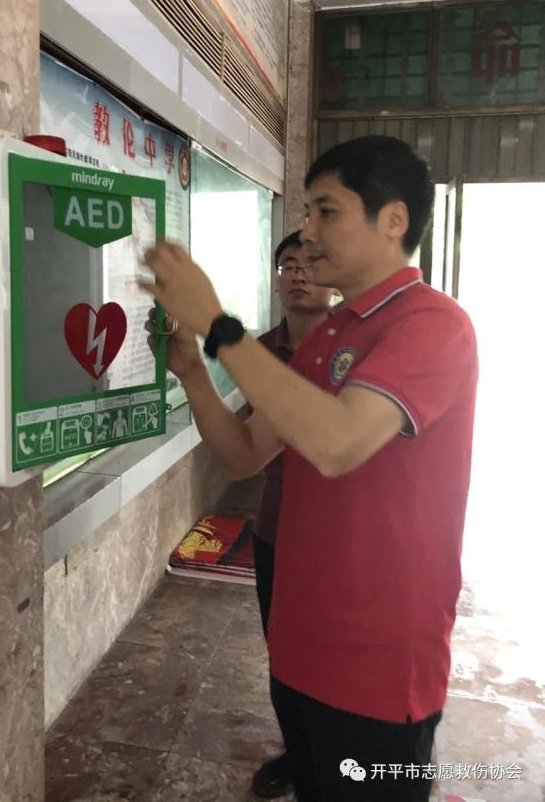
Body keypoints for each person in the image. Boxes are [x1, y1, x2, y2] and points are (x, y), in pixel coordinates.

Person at [141, 135, 477, 801]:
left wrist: (218, 324)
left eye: (326, 211)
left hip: (379, 663)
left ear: (393, 220)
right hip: (303, 644)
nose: (308, 231)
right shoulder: (330, 333)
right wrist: (192, 374)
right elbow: (245, 452)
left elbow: (337, 442)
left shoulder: (433, 326)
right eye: (306, 212)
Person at [250, 231, 336, 798]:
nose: (298, 274)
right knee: (282, 650)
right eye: (288, 265)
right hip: (276, 527)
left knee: (332, 650)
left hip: (336, 535)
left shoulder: (354, 346)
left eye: (309, 264)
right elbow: (252, 442)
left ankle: (335, 754)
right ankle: (297, 755)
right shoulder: (259, 351)